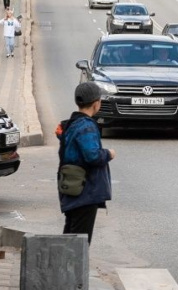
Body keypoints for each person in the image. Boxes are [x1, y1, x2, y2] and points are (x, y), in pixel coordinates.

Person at [57, 82, 115, 244]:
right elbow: (92, 156)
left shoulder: (71, 123)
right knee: (79, 242)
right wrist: (108, 153)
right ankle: (71, 269)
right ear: (96, 104)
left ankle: (65, 267)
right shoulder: (87, 126)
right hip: (84, 191)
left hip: (72, 188)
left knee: (71, 237)